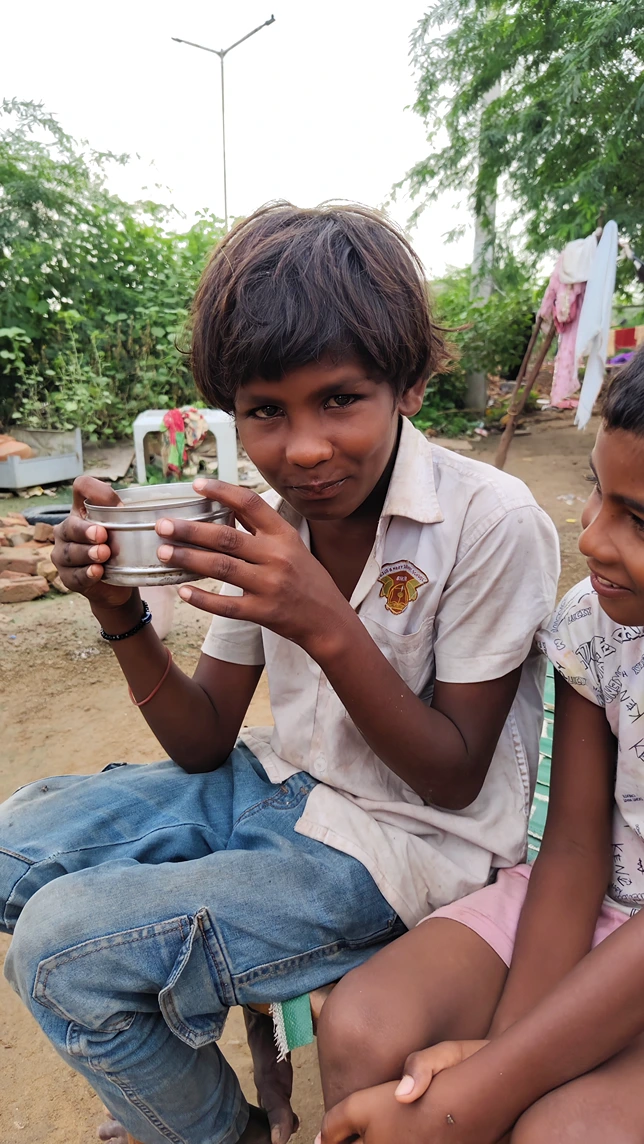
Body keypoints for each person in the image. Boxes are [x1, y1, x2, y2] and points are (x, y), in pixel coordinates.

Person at [0, 202, 558, 1144]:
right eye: (266, 411)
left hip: (408, 848)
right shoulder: (270, 517)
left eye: (339, 400)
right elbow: (203, 739)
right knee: (13, 846)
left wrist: (322, 620)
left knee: (61, 951)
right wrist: (116, 609)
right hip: (280, 784)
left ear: (410, 385)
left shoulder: (490, 521)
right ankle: (190, 1084)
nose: (302, 449)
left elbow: (454, 776)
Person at [317, 343, 644, 1144]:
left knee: (560, 1132)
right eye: (597, 492)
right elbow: (574, 847)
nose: (593, 538)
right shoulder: (594, 624)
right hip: (596, 899)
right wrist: (503, 1047)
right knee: (363, 1030)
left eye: (638, 520)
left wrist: (488, 1088)